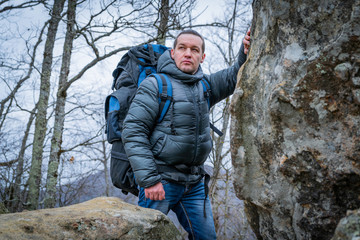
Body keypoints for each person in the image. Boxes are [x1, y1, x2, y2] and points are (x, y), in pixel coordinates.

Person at [122, 29, 251, 239]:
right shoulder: (155, 85)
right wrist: (149, 180)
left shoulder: (205, 86)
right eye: (182, 48)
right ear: (173, 53)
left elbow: (234, 75)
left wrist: (245, 51)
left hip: (194, 184)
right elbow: (133, 131)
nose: (188, 53)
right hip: (160, 181)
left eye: (194, 49)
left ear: (202, 56)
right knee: (148, 236)